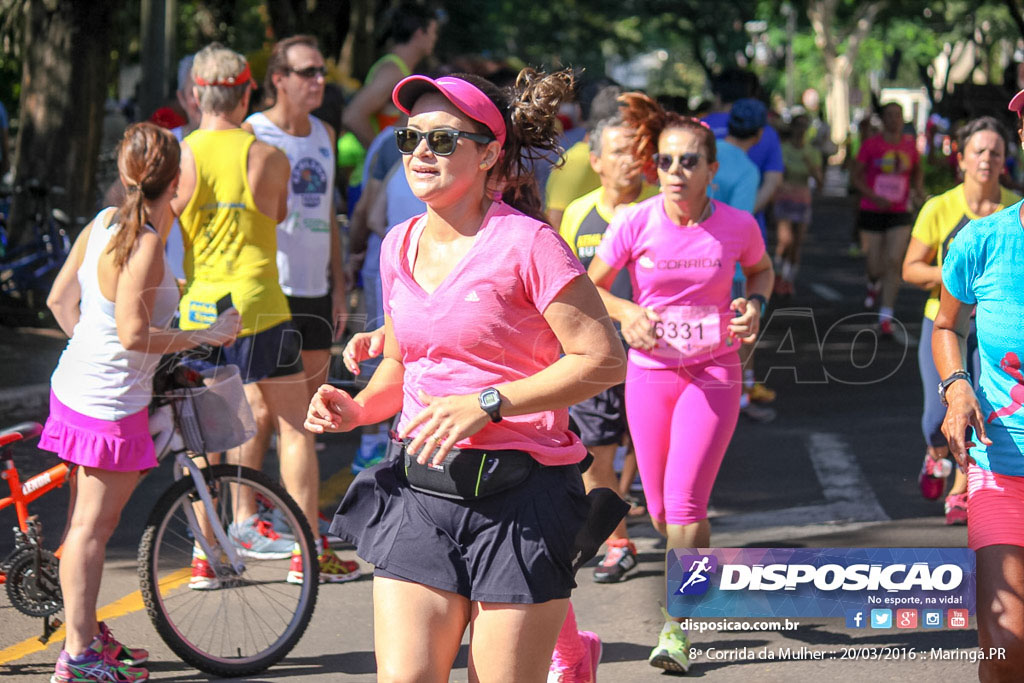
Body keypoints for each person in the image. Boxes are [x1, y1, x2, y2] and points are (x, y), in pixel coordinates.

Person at [305, 69, 627, 682]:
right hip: (422, 493)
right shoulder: (397, 244)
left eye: (444, 140)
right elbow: (402, 366)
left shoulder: (530, 245)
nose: (422, 152)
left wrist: (490, 402)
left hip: (521, 497)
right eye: (410, 138)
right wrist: (355, 408)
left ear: (488, 154)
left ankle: (573, 656)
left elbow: (603, 359)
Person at [43, 122, 240, 683]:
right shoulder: (147, 241)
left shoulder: (103, 222)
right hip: (109, 405)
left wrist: (92, 352)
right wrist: (205, 335)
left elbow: (61, 299)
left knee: (84, 526)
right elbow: (133, 334)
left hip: (77, 388)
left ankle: (85, 633)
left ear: (126, 173)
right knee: (90, 531)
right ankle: (78, 657)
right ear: (174, 179)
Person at [587, 92, 774, 673]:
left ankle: (677, 628)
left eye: (689, 161)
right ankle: (700, 578)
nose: (675, 172)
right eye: (666, 162)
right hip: (649, 376)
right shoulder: (633, 222)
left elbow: (762, 270)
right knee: (668, 516)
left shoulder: (738, 226)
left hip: (714, 373)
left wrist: (756, 305)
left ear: (712, 170)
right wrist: (626, 313)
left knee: (689, 505)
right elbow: (589, 286)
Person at [171, 43, 357, 584]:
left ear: (197, 94)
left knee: (207, 435)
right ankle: (305, 552)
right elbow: (273, 212)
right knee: (297, 430)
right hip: (261, 302)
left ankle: (207, 554)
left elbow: (171, 221)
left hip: (202, 305)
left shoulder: (183, 153)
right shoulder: (265, 154)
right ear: (250, 89)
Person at [932, 89, 1024, 683]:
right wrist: (958, 386)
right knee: (1006, 643)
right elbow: (946, 326)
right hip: (1003, 462)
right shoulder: (983, 240)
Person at [903, 116, 1019, 526]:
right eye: (979, 151)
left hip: (990, 329)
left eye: (996, 153)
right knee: (938, 415)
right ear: (963, 159)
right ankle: (935, 454)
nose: (987, 159)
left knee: (980, 411)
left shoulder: (1011, 209)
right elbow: (910, 269)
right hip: (945, 320)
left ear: (1006, 160)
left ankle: (961, 490)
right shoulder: (939, 208)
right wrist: (959, 279)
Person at [558, 112, 656, 587]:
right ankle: (618, 541)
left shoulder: (662, 206)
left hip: (657, 352)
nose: (631, 161)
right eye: (619, 151)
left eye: (638, 150)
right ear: (595, 160)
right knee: (596, 448)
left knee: (643, 444)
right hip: (596, 350)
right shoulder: (579, 212)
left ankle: (642, 506)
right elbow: (571, 285)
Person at [245, 35, 347, 441]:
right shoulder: (253, 132)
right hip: (270, 289)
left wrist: (339, 286)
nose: (319, 80)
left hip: (315, 289)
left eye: (321, 71)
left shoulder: (325, 132)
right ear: (279, 79)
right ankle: (243, 505)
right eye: (308, 72)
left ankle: (285, 506)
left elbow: (327, 214)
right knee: (260, 415)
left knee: (310, 412)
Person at [339, 1, 438, 208]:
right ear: (420, 32)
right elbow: (352, 115)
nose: (435, 39)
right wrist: (384, 156)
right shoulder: (393, 71)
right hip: (370, 184)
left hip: (379, 182)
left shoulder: (399, 69)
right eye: (433, 32)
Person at [851, 101, 924, 336]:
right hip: (872, 209)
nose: (894, 119)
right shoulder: (871, 145)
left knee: (894, 261)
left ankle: (886, 315)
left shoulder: (910, 146)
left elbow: (917, 172)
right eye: (889, 115)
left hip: (899, 211)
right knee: (874, 263)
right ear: (883, 119)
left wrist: (917, 191)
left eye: (898, 115)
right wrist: (873, 195)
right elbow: (856, 177)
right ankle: (873, 283)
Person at [773, 113, 823, 295]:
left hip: (802, 199)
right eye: (798, 125)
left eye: (805, 126)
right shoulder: (782, 149)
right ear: (792, 128)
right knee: (786, 240)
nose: (801, 130)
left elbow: (820, 182)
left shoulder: (812, 152)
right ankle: (777, 273)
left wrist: (811, 166)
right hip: (784, 199)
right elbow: (775, 174)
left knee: (797, 244)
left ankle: (788, 279)